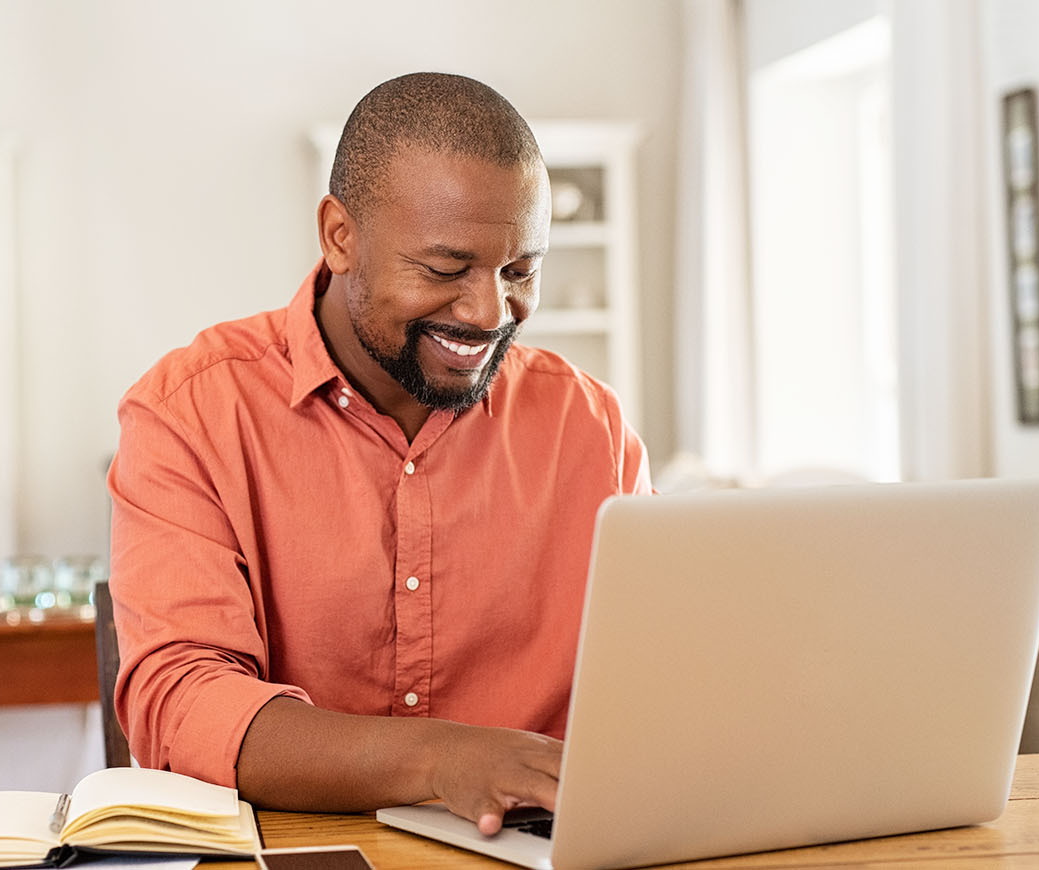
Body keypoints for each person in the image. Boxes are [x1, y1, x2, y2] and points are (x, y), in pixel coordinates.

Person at [107, 72, 652, 834]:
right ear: (340, 236)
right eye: (445, 269)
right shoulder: (190, 412)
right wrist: (440, 759)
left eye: (520, 271)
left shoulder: (590, 428)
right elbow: (183, 702)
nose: (490, 312)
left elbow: (652, 688)